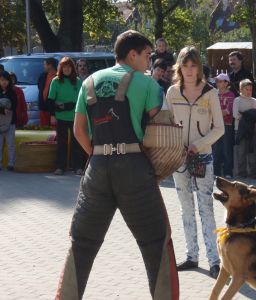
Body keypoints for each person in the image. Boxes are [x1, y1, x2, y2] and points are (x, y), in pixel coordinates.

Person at [55, 30, 179, 300]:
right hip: (134, 167)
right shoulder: (147, 85)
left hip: (97, 167)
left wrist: (98, 155)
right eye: (147, 56)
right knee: (156, 242)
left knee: (82, 244)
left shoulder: (88, 82)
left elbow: (78, 130)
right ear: (132, 54)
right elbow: (161, 131)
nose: (149, 62)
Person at [166, 46, 224, 279]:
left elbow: (219, 128)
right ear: (179, 67)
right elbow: (166, 123)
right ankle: (191, 256)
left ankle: (214, 260)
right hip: (178, 158)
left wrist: (198, 145)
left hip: (202, 157)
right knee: (185, 207)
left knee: (206, 207)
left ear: (199, 67)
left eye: (193, 66)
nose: (189, 71)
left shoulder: (210, 93)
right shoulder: (171, 92)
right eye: (185, 66)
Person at [48, 57, 86, 175]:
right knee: (61, 143)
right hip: (61, 117)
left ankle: (77, 166)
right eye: (64, 67)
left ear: (72, 68)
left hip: (75, 117)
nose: (67, 69)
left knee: (77, 143)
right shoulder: (55, 81)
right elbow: (50, 100)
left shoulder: (78, 81)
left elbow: (83, 100)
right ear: (61, 68)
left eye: (69, 67)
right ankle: (60, 167)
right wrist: (52, 115)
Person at [233, 79, 256, 178]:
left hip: (251, 130)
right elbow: (236, 115)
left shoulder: (254, 101)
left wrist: (244, 114)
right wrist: (249, 114)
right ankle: (241, 173)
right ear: (241, 89)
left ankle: (253, 172)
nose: (249, 91)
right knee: (241, 152)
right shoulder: (237, 100)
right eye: (246, 89)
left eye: (250, 90)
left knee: (252, 152)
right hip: (240, 130)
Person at [212, 73, 235, 178]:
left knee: (226, 149)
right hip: (215, 125)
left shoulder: (231, 95)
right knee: (216, 149)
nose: (218, 83)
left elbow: (228, 111)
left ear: (227, 83)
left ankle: (228, 172)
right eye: (217, 81)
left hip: (227, 125)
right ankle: (215, 172)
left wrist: (215, 112)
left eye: (221, 81)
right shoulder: (213, 94)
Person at [0, 71, 18, 171]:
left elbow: (14, 106)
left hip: (10, 122)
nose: (4, 82)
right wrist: (3, 110)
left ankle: (11, 163)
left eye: (6, 80)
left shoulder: (12, 92)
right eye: (2, 80)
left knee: (10, 144)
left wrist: (8, 109)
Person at [38, 57, 58, 126]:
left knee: (54, 132)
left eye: (45, 64)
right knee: (44, 131)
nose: (44, 66)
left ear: (50, 65)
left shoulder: (58, 77)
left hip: (54, 110)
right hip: (43, 109)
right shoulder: (42, 76)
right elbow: (40, 88)